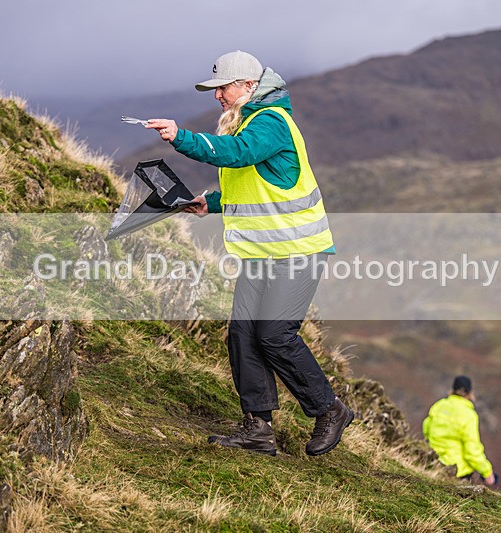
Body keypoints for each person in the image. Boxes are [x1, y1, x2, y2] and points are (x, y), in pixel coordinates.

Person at [145, 50, 353, 457]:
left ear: (249, 86)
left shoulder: (272, 122)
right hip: (263, 252)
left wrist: (180, 136)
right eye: (215, 88)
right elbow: (257, 185)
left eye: (223, 87)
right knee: (243, 335)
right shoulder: (252, 121)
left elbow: (236, 153)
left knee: (274, 335)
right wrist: (214, 204)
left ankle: (330, 410)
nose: (218, 95)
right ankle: (257, 430)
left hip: (298, 252)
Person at [422, 376, 497, 485]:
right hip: (458, 472)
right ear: (470, 393)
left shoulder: (438, 406)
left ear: (452, 390)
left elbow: (426, 429)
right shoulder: (469, 415)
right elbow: (472, 450)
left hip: (434, 464)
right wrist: (487, 472)